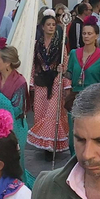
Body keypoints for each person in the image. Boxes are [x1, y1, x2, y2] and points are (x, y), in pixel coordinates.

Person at [0, 41, 33, 179]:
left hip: (16, 129)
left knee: (15, 163)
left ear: (7, 63)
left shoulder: (20, 82)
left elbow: (16, 110)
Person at [28, 12, 70, 155]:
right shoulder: (36, 45)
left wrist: (61, 69)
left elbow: (65, 64)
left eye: (53, 24)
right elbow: (33, 64)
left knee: (52, 113)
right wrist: (32, 83)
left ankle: (52, 145)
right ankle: (43, 144)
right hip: (40, 82)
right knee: (41, 113)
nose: (51, 27)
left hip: (55, 82)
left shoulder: (60, 45)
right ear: (42, 27)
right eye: (48, 25)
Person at [66, 17, 100, 108]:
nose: (86, 36)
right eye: (84, 33)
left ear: (96, 36)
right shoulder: (74, 53)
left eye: (89, 34)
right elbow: (69, 76)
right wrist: (62, 71)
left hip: (93, 99)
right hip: (75, 98)